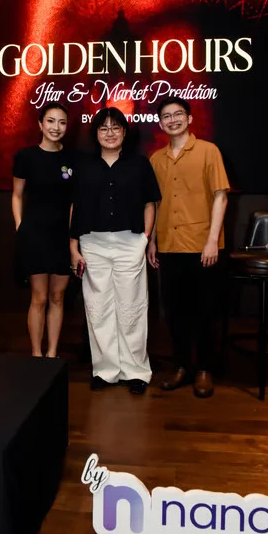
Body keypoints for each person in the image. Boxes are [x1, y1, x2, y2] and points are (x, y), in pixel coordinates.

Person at [70, 107, 161, 395]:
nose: (110, 133)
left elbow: (150, 203)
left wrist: (145, 238)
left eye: (115, 127)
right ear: (95, 133)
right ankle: (105, 370)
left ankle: (136, 371)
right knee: (98, 309)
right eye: (103, 128)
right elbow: (75, 207)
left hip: (129, 241)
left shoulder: (139, 164)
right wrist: (73, 246)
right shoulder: (84, 166)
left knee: (131, 307)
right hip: (93, 243)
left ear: (124, 132)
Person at [148, 98, 229, 398]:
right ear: (160, 123)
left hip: (201, 245)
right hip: (169, 245)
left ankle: (204, 369)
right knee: (174, 311)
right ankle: (182, 365)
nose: (172, 120)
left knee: (205, 310)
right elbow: (155, 203)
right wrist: (152, 241)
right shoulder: (156, 159)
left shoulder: (209, 151)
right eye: (166, 116)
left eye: (178, 114)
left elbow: (220, 196)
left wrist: (212, 240)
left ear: (189, 118)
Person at [12, 102, 73, 358]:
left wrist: (73, 237)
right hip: (35, 235)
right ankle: (36, 355)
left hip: (62, 237)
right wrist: (20, 227)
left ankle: (52, 353)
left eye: (61, 122)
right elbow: (17, 195)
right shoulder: (25, 157)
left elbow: (74, 201)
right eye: (50, 121)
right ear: (40, 124)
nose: (56, 127)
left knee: (58, 297)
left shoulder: (72, 159)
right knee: (39, 297)